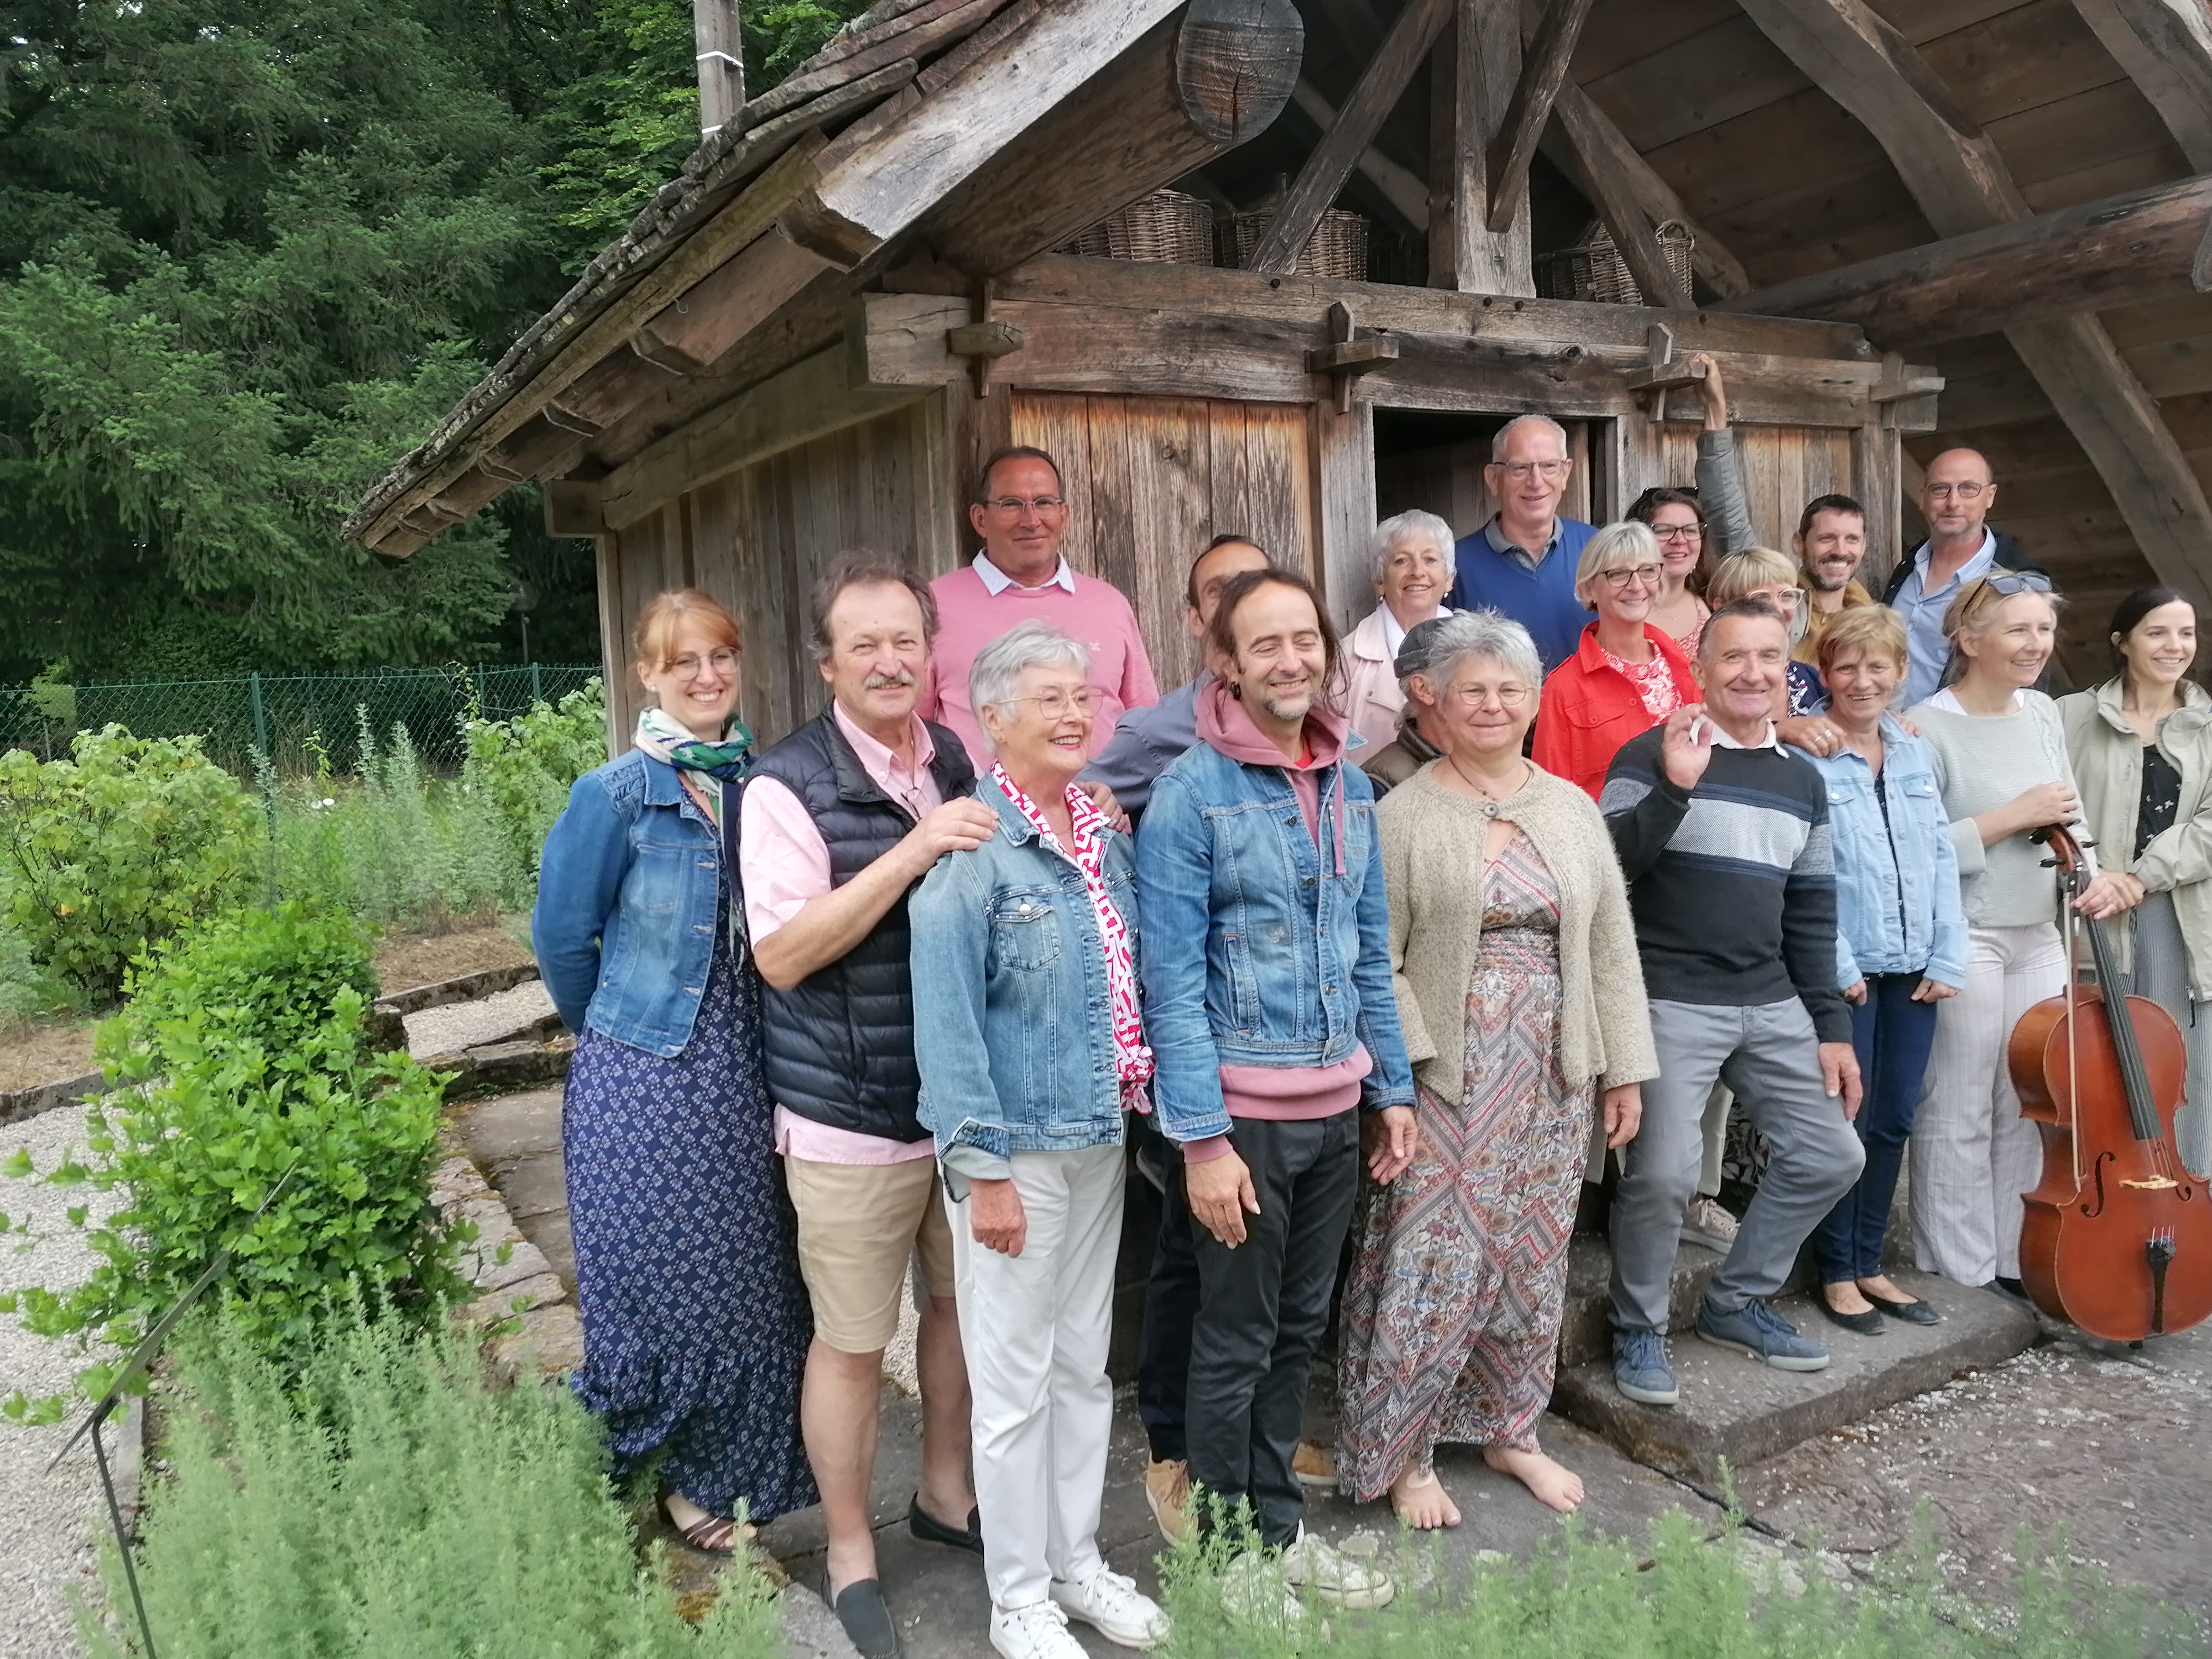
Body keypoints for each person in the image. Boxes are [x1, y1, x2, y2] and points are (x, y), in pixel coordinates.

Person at [1336, 611, 1655, 1525]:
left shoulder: (1569, 807)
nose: (1492, 704)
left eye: (1510, 689)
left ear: (1534, 700)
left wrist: (1622, 1069)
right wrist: (1403, 1076)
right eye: (1472, 688)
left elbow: (1609, 946)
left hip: (1554, 1078)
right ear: (1432, 700)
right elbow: (1377, 961)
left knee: (1530, 1257)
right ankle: (1406, 1451)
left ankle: (1514, 1430)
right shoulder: (1402, 813)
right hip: (1448, 1080)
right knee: (1432, 1260)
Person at [1139, 567, 1416, 1608]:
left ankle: (1278, 1532)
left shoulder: (1351, 786)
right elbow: (1170, 987)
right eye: (1265, 645)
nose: (1291, 660)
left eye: (1306, 640)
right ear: (1226, 663)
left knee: (1297, 1336)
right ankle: (1227, 1557)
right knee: (1236, 1338)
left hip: (1334, 1111)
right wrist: (1202, 1143)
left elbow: (1366, 953)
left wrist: (1390, 1089)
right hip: (1243, 1125)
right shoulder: (1188, 797)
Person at [740, 557, 993, 1659]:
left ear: (929, 649)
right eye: (865, 645)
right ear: (826, 663)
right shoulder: (782, 785)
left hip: (957, 1111)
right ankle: (849, 1549)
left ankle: (946, 1493)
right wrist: (915, 845)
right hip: (847, 1116)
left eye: (906, 641)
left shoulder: (952, 755)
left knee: (956, 1312)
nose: (890, 661)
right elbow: (785, 955)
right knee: (849, 1345)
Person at [534, 588, 815, 1563]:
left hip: (754, 1064)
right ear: (645, 675)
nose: (706, 677)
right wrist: (619, 1041)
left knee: (751, 1278)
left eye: (722, 657)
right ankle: (674, 1475)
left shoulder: (769, 784)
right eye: (682, 661)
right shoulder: (614, 796)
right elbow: (564, 941)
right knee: (655, 1278)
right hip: (648, 1072)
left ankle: (736, 1469)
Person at [910, 621, 1170, 1659]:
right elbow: (949, 1026)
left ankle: (1077, 1564)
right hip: (1014, 1150)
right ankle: (1017, 1597)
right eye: (1050, 699)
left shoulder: (1102, 833)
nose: (1076, 714)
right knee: (1012, 1384)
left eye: (1084, 697)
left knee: (1081, 1370)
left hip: (1099, 1135)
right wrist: (983, 1172)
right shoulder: (973, 852)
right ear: (994, 719)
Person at [1600, 599, 1867, 1407]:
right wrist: (1676, 790)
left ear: (1786, 671)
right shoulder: (1650, 753)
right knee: (1665, 1174)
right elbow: (1607, 872)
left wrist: (1832, 1028)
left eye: (1768, 658)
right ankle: (1637, 1326)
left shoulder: (1801, 780)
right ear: (1702, 667)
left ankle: (1735, 1302)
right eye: (1733, 658)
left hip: (1771, 997)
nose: (1751, 673)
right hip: (1670, 997)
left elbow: (1812, 912)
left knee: (1833, 1155)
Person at [1073, 531, 1271, 1543]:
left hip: (1278, 1043)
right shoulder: (1158, 730)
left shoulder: (1303, 731)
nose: (1238, 608)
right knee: (1190, 1256)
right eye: (1219, 595)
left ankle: (1243, 1444)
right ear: (1200, 624)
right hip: (1188, 1027)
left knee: (1255, 1259)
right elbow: (1088, 802)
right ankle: (1173, 1451)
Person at [1906, 573, 2128, 1293]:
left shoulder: (2039, 713)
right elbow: (1917, 848)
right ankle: (1958, 1266)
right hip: (1966, 934)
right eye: (2019, 630)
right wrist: (2012, 814)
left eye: (2043, 629)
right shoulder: (1925, 726)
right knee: (1960, 1101)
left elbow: (2067, 813)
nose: (2037, 644)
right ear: (1971, 640)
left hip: (2041, 928)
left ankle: (2013, 1257)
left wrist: (2091, 872)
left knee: (2025, 1102)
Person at [1789, 607, 1965, 1333]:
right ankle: (1836, 1271)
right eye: (1847, 667)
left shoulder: (1916, 750)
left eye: (1878, 667)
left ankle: (1870, 1262)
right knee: (1847, 1121)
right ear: (1825, 674)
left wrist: (1949, 951)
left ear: (1900, 673)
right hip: (1850, 970)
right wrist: (1835, 963)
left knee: (1893, 1117)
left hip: (1916, 968)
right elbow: (1801, 873)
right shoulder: (1805, 757)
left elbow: (1943, 856)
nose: (1863, 681)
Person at [2060, 586, 2212, 1180]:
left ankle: (2195, 1216)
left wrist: (2140, 876)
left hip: (2180, 921)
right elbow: (2051, 804)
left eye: (2185, 633)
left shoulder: (2209, 727)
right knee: (2099, 1071)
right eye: (2157, 632)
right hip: (2092, 916)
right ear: (2121, 642)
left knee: (2186, 1074)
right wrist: (2100, 876)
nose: (2174, 646)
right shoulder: (2067, 715)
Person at [922, 445, 1158, 763]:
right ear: (980, 519)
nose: (1031, 520)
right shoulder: (934, 606)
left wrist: (1117, 793)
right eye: (1011, 505)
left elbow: (1146, 730)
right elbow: (909, 730)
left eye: (1044, 503)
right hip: (983, 809)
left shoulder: (1109, 604)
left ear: (1064, 514)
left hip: (1102, 808)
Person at [1082, 534, 1271, 824]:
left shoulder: (1309, 710)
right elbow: (1061, 804)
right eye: (1218, 590)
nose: (1237, 599)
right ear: (1195, 619)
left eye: (1254, 584)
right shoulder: (1155, 733)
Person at [1531, 520, 1700, 801]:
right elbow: (1550, 796)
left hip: (1693, 837)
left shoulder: (1684, 667)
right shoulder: (1563, 687)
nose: (1636, 586)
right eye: (1618, 574)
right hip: (1609, 839)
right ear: (1588, 590)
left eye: (1647, 571)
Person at [1882, 448, 2046, 708]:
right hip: (1888, 732)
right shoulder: (1907, 568)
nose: (1953, 502)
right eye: (1940, 489)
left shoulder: (2014, 582)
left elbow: (2028, 676)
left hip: (1957, 735)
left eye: (1968, 488)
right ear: (1924, 497)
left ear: (1990, 496)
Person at [1441, 414, 1596, 674]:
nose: (1536, 482)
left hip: (1589, 713)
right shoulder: (1456, 567)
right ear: (1493, 478)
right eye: (1520, 468)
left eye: (1549, 466)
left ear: (1565, 472)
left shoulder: (1596, 547)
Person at [1342, 511, 1456, 752]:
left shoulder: (1480, 649)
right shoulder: (1345, 660)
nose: (1417, 571)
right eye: (1401, 560)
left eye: (1430, 559)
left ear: (1449, 579)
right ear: (1380, 581)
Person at [1361, 615, 1459, 795]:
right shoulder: (1380, 782)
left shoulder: (1485, 760)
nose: (1492, 702)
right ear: (1423, 689)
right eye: (1473, 684)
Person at [1792, 494, 1876, 668]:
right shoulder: (1779, 611)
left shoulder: (1873, 625)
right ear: (1799, 544)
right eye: (1827, 538)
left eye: (1852, 539)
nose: (1840, 551)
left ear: (1864, 545)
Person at [1628, 488, 1712, 657]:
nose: (1680, 540)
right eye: (1664, 530)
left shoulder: (1713, 603)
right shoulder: (1620, 609)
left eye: (1690, 530)